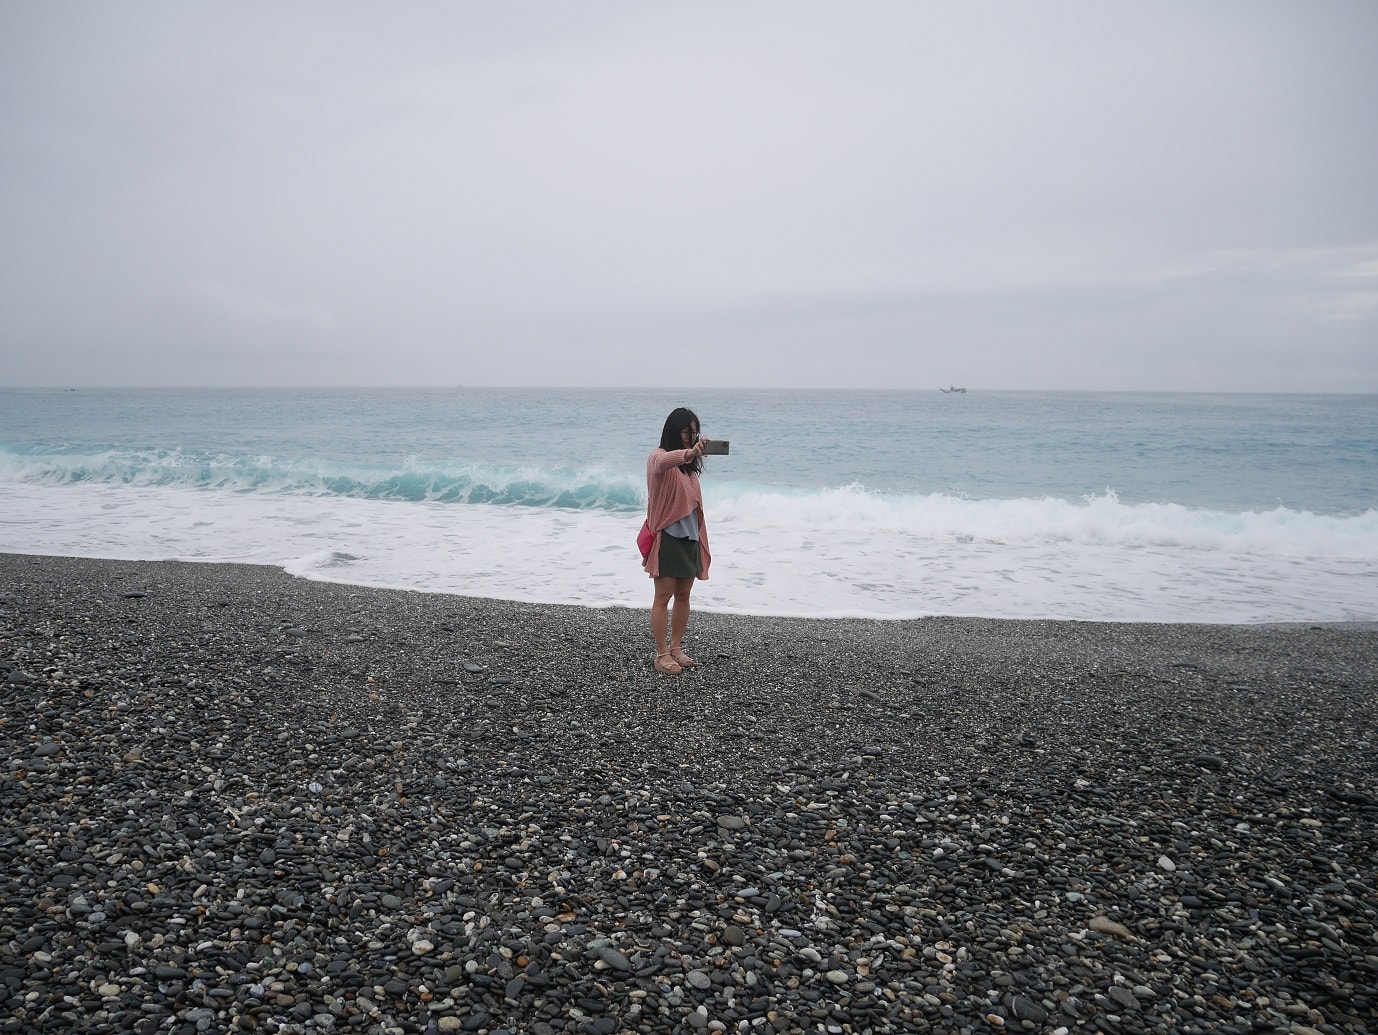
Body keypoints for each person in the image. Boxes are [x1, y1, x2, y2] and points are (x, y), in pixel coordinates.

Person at [644, 407, 713, 675]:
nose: (690, 436)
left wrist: (691, 457)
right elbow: (663, 462)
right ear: (673, 430)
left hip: (690, 539)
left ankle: (676, 648)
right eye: (686, 431)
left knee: (684, 596)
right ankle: (661, 654)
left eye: (694, 432)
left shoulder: (688, 470)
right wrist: (689, 453)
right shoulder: (658, 457)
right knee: (663, 597)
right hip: (669, 539)